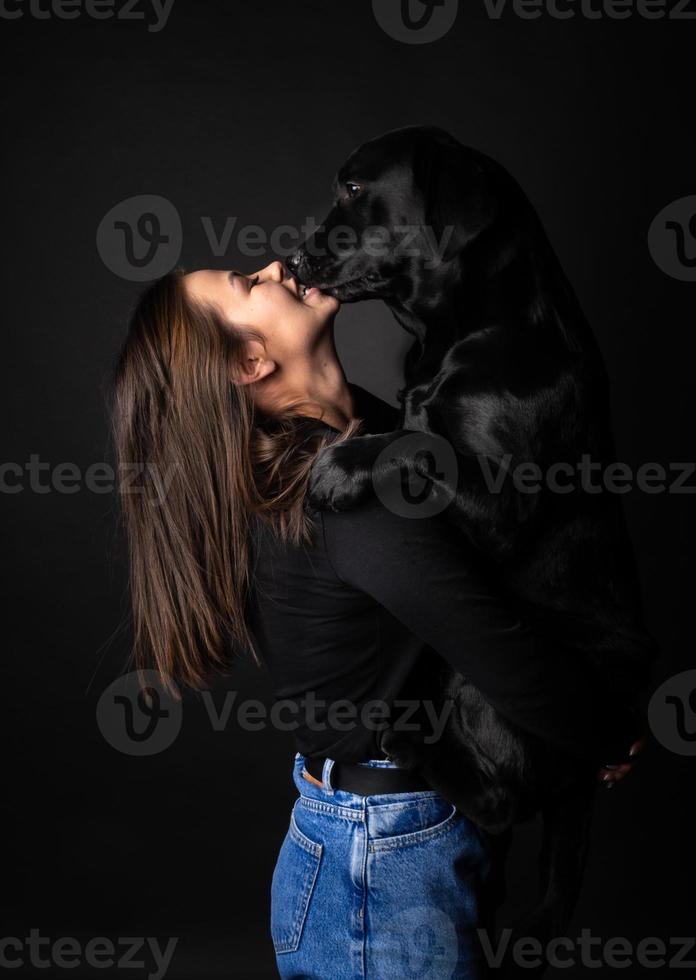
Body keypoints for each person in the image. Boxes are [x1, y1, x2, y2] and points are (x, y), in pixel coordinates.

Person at [112, 260, 641, 979]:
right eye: (247, 281)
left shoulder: (366, 439)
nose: (274, 266)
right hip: (382, 864)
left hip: (398, 834)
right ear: (248, 361)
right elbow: (499, 648)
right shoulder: (346, 501)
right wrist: (606, 730)